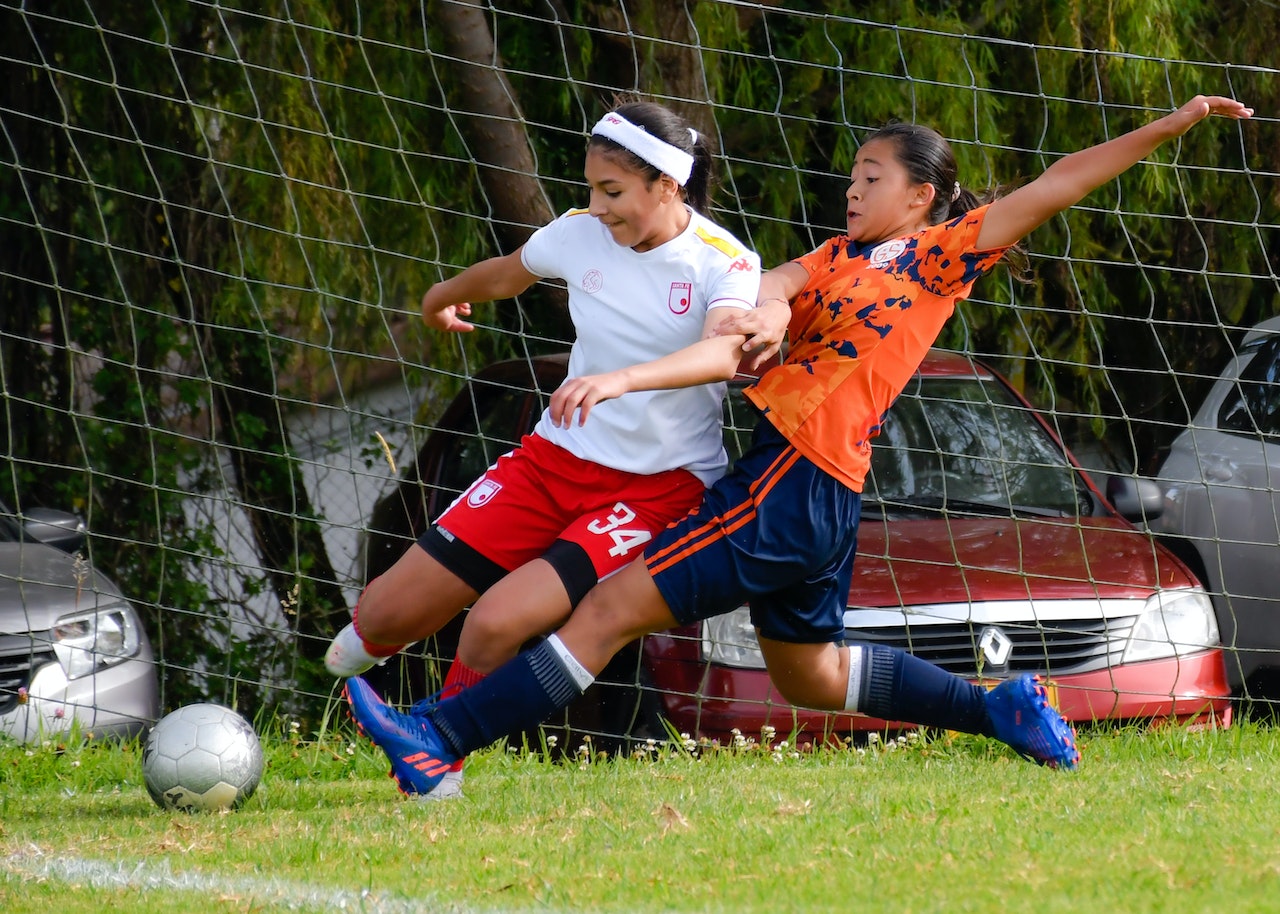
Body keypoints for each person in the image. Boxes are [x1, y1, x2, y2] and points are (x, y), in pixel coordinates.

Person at [343, 95, 1253, 797]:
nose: (851, 190)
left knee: (609, 608)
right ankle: (999, 707)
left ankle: (438, 738)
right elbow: (769, 289)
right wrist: (759, 317)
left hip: (790, 482)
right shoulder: (828, 258)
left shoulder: (941, 256)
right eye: (851, 177)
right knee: (813, 675)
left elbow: (1060, 183)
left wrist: (1171, 125)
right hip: (819, 493)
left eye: (870, 176)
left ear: (920, 197)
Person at [325, 100, 775, 797]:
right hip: (551, 462)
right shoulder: (580, 233)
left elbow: (723, 353)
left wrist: (620, 380)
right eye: (591, 188)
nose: (597, 207)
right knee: (382, 614)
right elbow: (508, 274)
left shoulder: (724, 261)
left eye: (613, 191)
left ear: (668, 186)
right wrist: (438, 297)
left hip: (654, 488)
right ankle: (379, 686)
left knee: (495, 623)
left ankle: (434, 760)